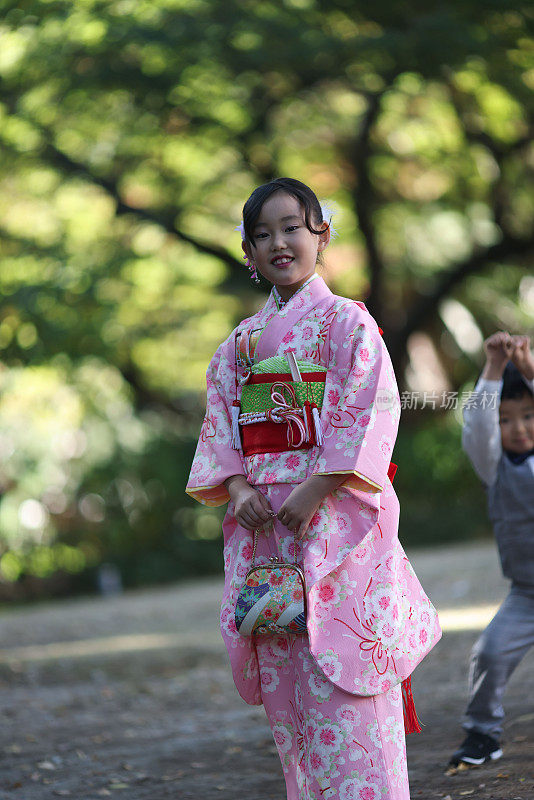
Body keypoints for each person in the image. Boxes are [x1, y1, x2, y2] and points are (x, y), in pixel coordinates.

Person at [186, 177, 441, 800]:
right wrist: (240, 487)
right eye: (262, 234)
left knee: (350, 687)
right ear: (248, 253)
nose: (279, 243)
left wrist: (316, 487)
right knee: (294, 697)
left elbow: (369, 412)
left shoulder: (346, 324)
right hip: (269, 529)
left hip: (332, 519)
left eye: (292, 227)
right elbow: (222, 427)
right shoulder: (241, 346)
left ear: (320, 235)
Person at [449, 331, 534, 767]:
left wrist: (529, 367)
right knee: (490, 653)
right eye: (507, 419)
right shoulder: (494, 466)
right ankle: (482, 734)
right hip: (527, 594)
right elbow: (479, 428)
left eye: (528, 416)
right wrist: (495, 368)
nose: (518, 428)